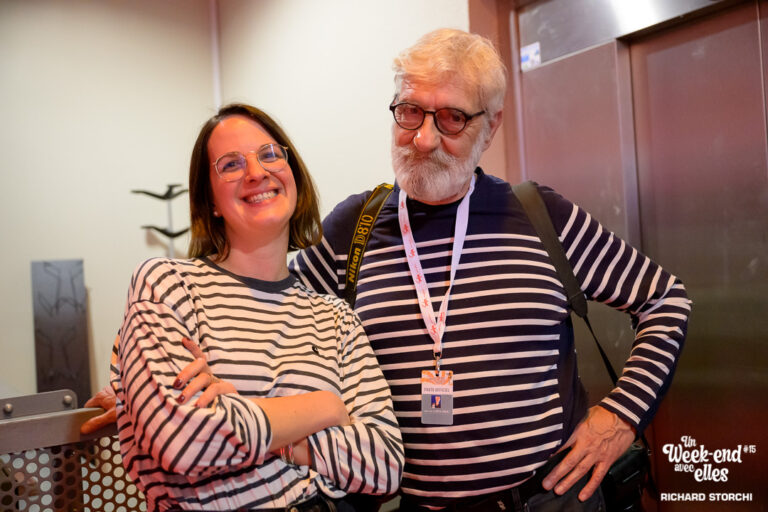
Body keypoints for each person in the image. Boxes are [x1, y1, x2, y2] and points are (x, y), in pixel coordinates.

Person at [85, 29, 690, 512]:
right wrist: (148, 385)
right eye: (409, 112)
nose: (423, 138)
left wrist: (619, 416)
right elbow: (266, 312)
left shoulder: (540, 216)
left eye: (451, 118)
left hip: (546, 500)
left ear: (491, 125)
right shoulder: (355, 228)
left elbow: (665, 300)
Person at [107, 103, 403, 511]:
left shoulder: (335, 318)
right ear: (210, 201)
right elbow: (184, 442)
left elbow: (385, 463)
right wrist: (325, 406)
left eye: (269, 154)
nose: (256, 172)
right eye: (230, 164)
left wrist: (242, 419)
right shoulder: (167, 286)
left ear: (292, 175)